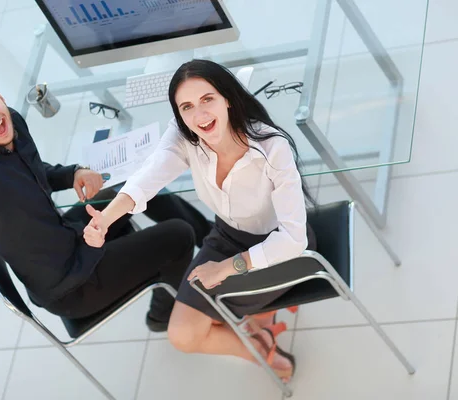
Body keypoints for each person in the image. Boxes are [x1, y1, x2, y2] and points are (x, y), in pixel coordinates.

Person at [83, 59, 317, 381]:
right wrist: (105, 219)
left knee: (213, 314)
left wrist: (225, 268)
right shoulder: (184, 136)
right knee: (183, 335)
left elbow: (293, 240)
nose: (200, 115)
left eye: (207, 99)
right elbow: (149, 176)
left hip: (279, 249)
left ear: (227, 98)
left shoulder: (270, 146)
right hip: (226, 238)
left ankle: (261, 312)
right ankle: (258, 346)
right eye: (187, 106)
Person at [0, 69, 213, 332]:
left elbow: (33, 171)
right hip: (71, 286)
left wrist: (74, 174)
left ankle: (213, 241)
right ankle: (162, 315)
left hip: (66, 236)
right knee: (178, 235)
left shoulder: (13, 121)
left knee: (135, 186)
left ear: (0, 96)